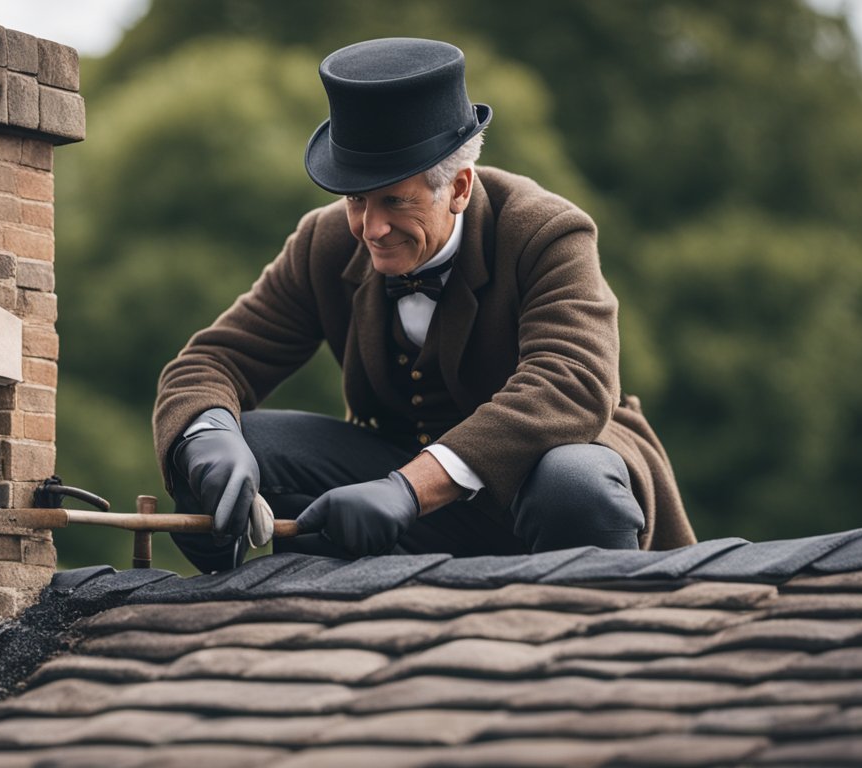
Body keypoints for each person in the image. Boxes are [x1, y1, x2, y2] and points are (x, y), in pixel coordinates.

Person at [154, 37, 695, 572]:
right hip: (403, 491)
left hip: (544, 488)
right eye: (355, 200)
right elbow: (210, 363)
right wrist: (204, 440)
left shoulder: (547, 231)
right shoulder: (324, 243)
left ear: (458, 188)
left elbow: (570, 382)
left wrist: (409, 489)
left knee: (573, 482)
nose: (371, 228)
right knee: (244, 438)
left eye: (394, 200)